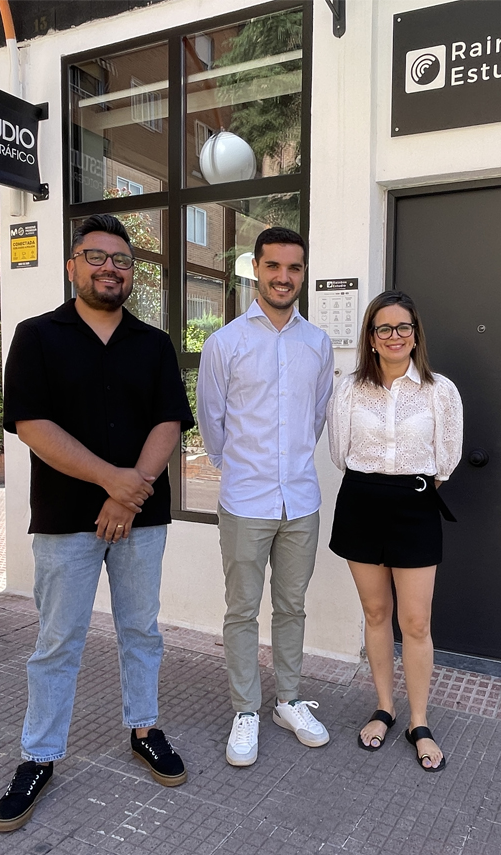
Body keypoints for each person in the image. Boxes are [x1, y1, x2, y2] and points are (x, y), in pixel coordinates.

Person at [0, 214, 194, 833]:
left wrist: (128, 496)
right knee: (58, 642)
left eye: (122, 261)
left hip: (142, 517)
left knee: (142, 631)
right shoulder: (36, 336)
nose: (111, 268)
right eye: (98, 257)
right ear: (72, 266)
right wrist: (113, 482)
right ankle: (39, 756)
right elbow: (32, 425)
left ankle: (144, 730)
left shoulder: (154, 344)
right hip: (65, 519)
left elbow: (168, 422)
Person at [196, 226, 335, 767]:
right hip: (245, 501)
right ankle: (246, 709)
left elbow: (316, 417)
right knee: (242, 610)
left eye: (293, 267)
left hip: (300, 501)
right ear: (255, 268)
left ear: (303, 273)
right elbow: (211, 421)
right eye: (273, 266)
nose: (283, 277)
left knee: (292, 606)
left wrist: (288, 464)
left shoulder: (317, 343)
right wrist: (239, 470)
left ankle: (289, 701)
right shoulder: (225, 343)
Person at [327, 290, 463, 772]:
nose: (394, 336)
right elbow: (339, 453)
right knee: (375, 611)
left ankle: (418, 722)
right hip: (361, 502)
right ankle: (384, 707)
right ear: (371, 336)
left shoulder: (440, 391)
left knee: (417, 622)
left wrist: (406, 487)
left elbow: (446, 459)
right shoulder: (348, 389)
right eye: (383, 328)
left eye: (403, 327)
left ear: (415, 334)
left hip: (415, 507)